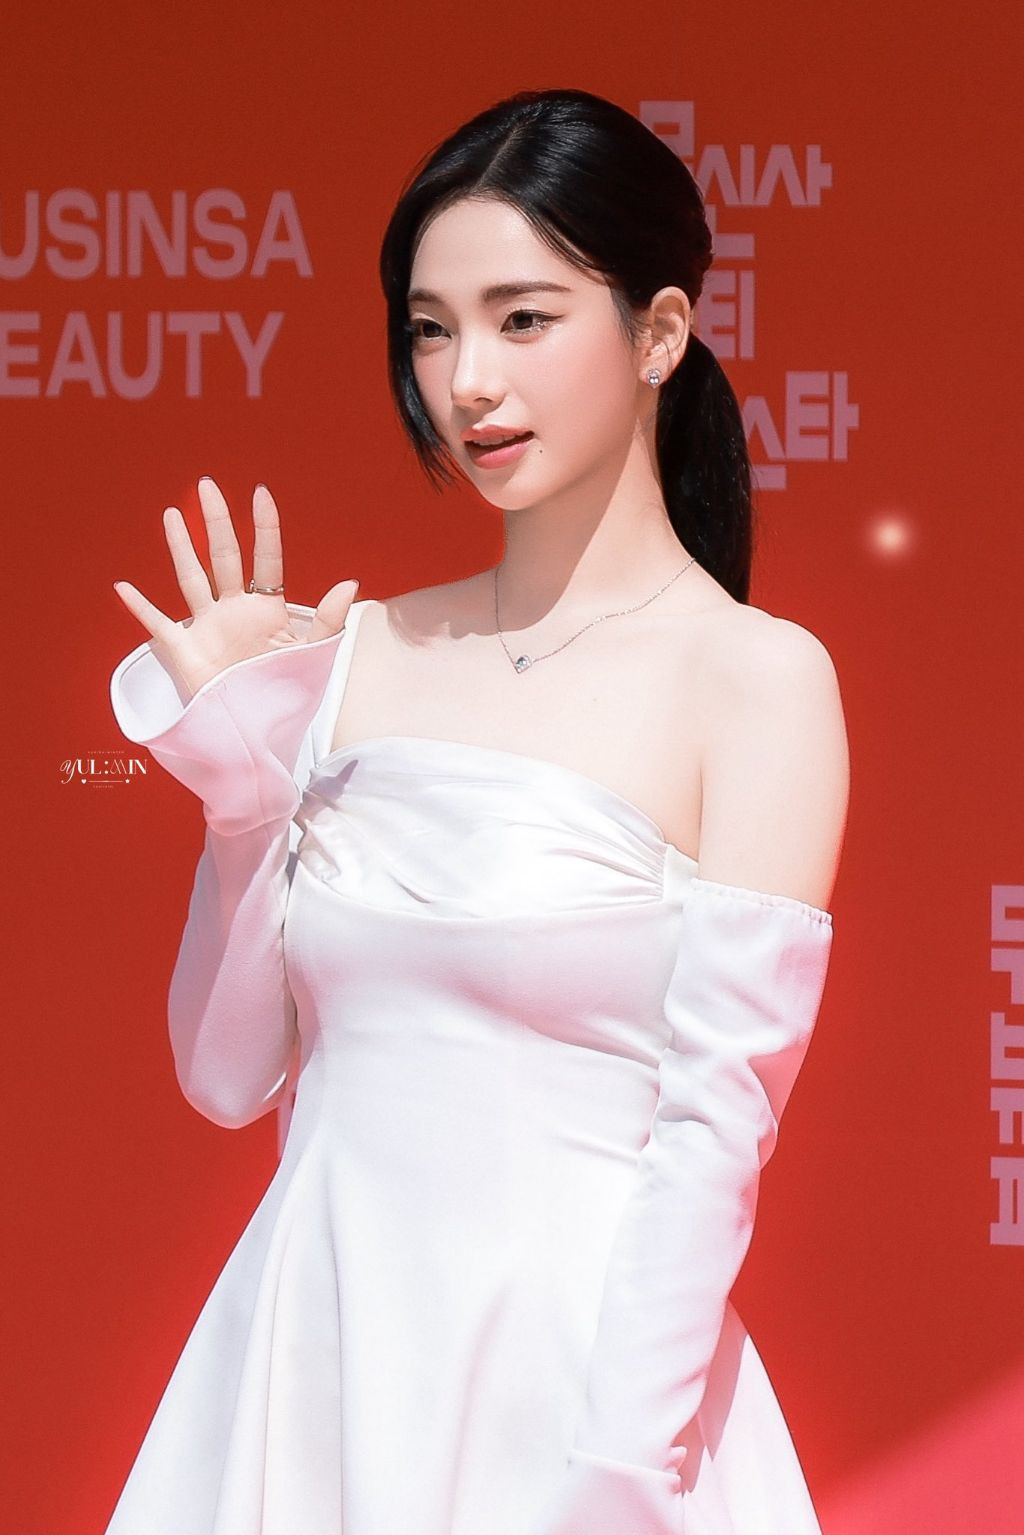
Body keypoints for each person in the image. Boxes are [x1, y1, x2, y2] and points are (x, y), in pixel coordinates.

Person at [104, 87, 848, 1535]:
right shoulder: (355, 652)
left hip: (577, 1405)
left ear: (659, 333)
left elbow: (715, 1135)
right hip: (311, 1373)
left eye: (524, 319)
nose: (469, 383)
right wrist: (245, 786)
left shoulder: (759, 681)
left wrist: (616, 1482)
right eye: (432, 329)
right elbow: (226, 1075)